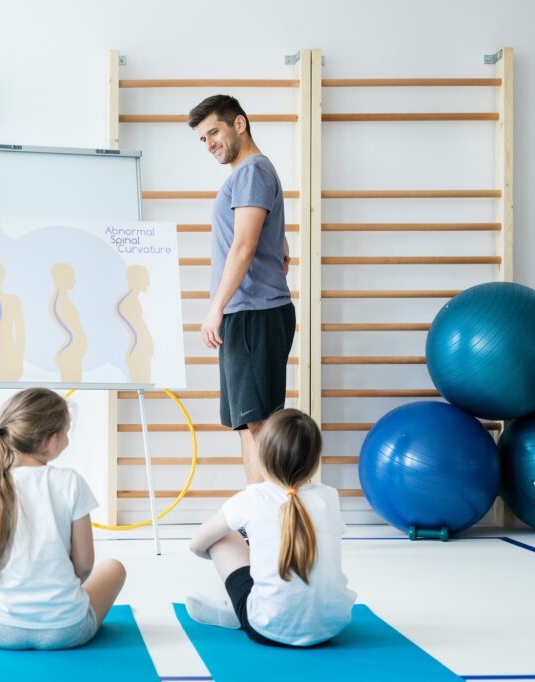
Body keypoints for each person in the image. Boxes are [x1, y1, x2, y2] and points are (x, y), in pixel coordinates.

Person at [0, 388, 126, 650]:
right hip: (68, 629)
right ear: (50, 441)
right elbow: (84, 568)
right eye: (66, 432)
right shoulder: (71, 482)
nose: (68, 440)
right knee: (114, 568)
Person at [188, 95, 296, 484]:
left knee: (260, 426)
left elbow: (245, 245)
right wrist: (279, 245)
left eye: (213, 132)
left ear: (239, 123)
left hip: (254, 313)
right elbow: (260, 237)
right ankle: (259, 516)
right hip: (248, 312)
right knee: (251, 424)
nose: (209, 143)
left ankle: (273, 520)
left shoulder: (251, 172)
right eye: (202, 139)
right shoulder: (250, 174)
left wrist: (216, 306)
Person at [186, 409, 355, 647]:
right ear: (315, 459)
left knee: (223, 538)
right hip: (331, 626)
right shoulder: (329, 496)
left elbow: (197, 543)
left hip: (266, 628)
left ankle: (239, 610)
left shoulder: (252, 497)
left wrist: (249, 556)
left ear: (262, 455)